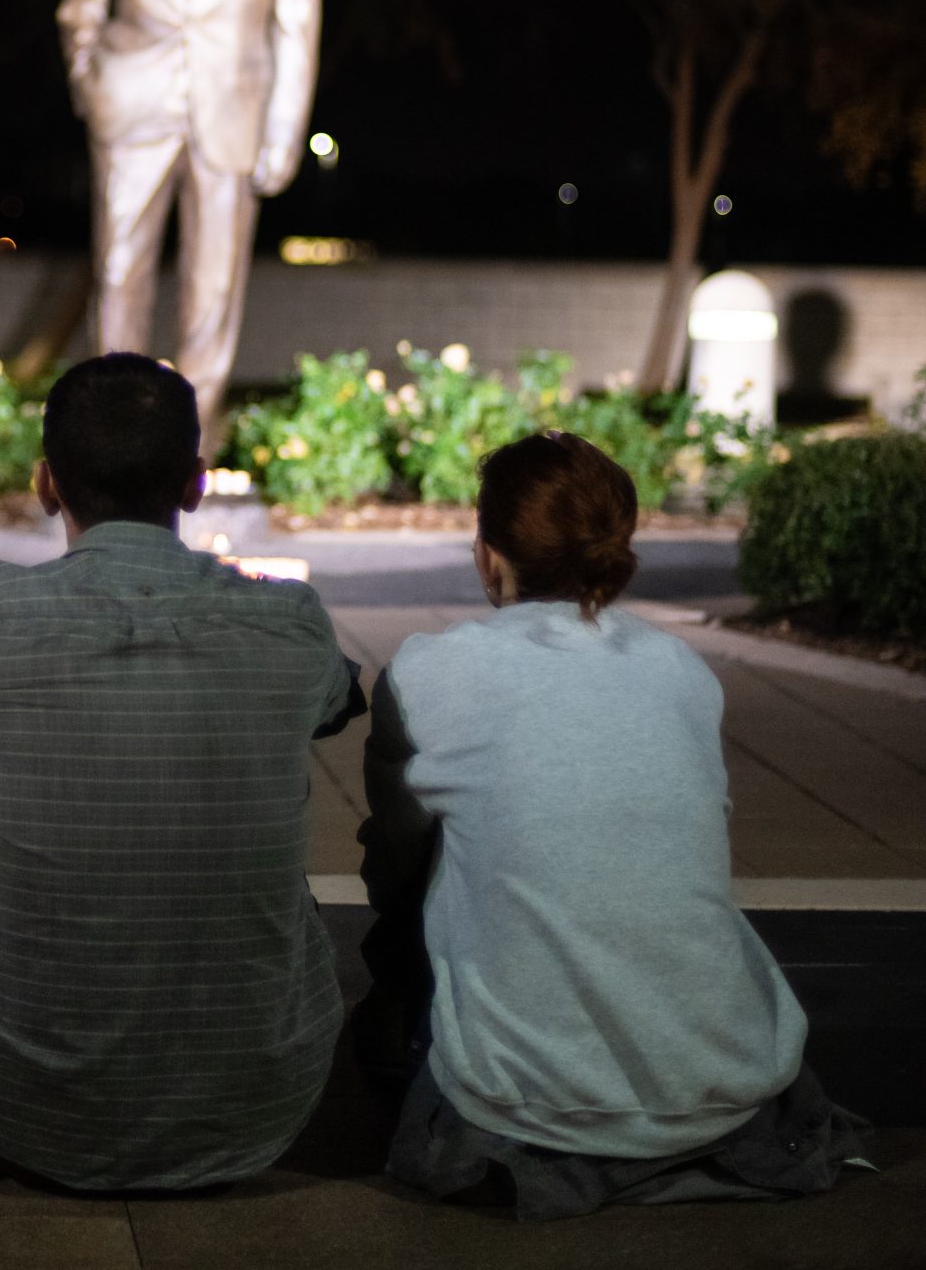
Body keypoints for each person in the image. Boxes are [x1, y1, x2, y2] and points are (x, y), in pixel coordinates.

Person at [0, 352, 362, 1191]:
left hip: (21, 1108)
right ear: (194, 485)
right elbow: (338, 701)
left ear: (48, 484)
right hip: (263, 1105)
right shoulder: (287, 624)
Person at [356, 429, 867, 1219]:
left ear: (486, 551)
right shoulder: (680, 672)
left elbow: (393, 866)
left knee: (407, 942)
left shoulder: (428, 672)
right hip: (729, 1081)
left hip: (519, 1104)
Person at [56, 0, 322, 454]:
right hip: (130, 104)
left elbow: (296, 23)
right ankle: (107, 449)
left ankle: (186, 454)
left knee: (212, 292)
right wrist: (90, 80)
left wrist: (282, 133)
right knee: (117, 274)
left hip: (230, 110)